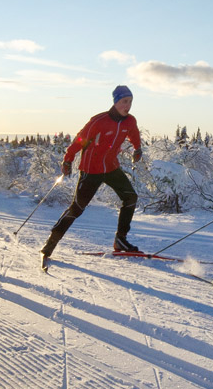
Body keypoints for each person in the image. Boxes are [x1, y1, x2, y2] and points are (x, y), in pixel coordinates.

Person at [41, 85, 143, 268]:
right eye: (124, 101)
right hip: (91, 170)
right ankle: (49, 246)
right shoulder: (99, 121)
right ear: (116, 101)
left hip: (111, 168)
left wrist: (138, 148)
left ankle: (121, 240)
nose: (128, 105)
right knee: (77, 208)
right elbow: (81, 139)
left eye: (130, 102)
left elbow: (134, 134)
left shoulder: (130, 121)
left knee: (130, 197)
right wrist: (68, 160)